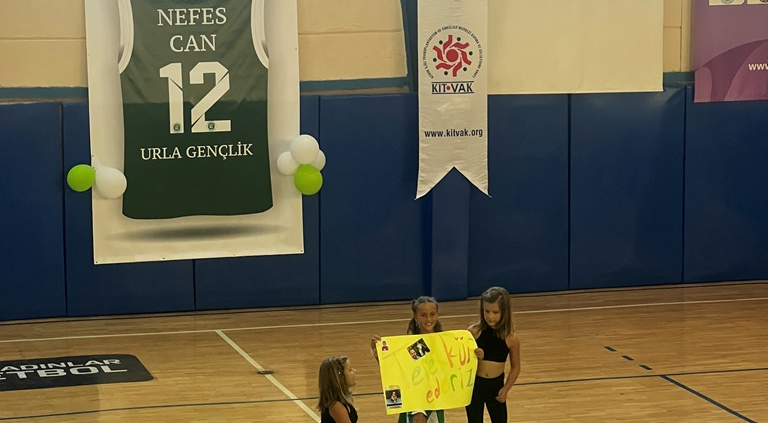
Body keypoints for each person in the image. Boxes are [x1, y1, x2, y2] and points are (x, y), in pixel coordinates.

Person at [371, 296, 446, 423]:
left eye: (432, 314)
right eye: (423, 315)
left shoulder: (445, 342)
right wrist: (378, 353)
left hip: (435, 395)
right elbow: (396, 370)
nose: (429, 319)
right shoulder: (415, 345)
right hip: (414, 396)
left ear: (438, 314)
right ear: (415, 316)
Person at [465, 287, 521, 423]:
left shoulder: (511, 338)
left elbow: (516, 367)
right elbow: (462, 360)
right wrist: (474, 357)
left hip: (496, 387)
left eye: (495, 312)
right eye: (487, 311)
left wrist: (506, 388)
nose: (490, 316)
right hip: (475, 387)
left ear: (504, 312)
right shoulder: (473, 332)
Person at [318, 356, 358, 423]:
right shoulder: (336, 406)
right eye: (350, 369)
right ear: (340, 377)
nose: (354, 371)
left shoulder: (341, 400)